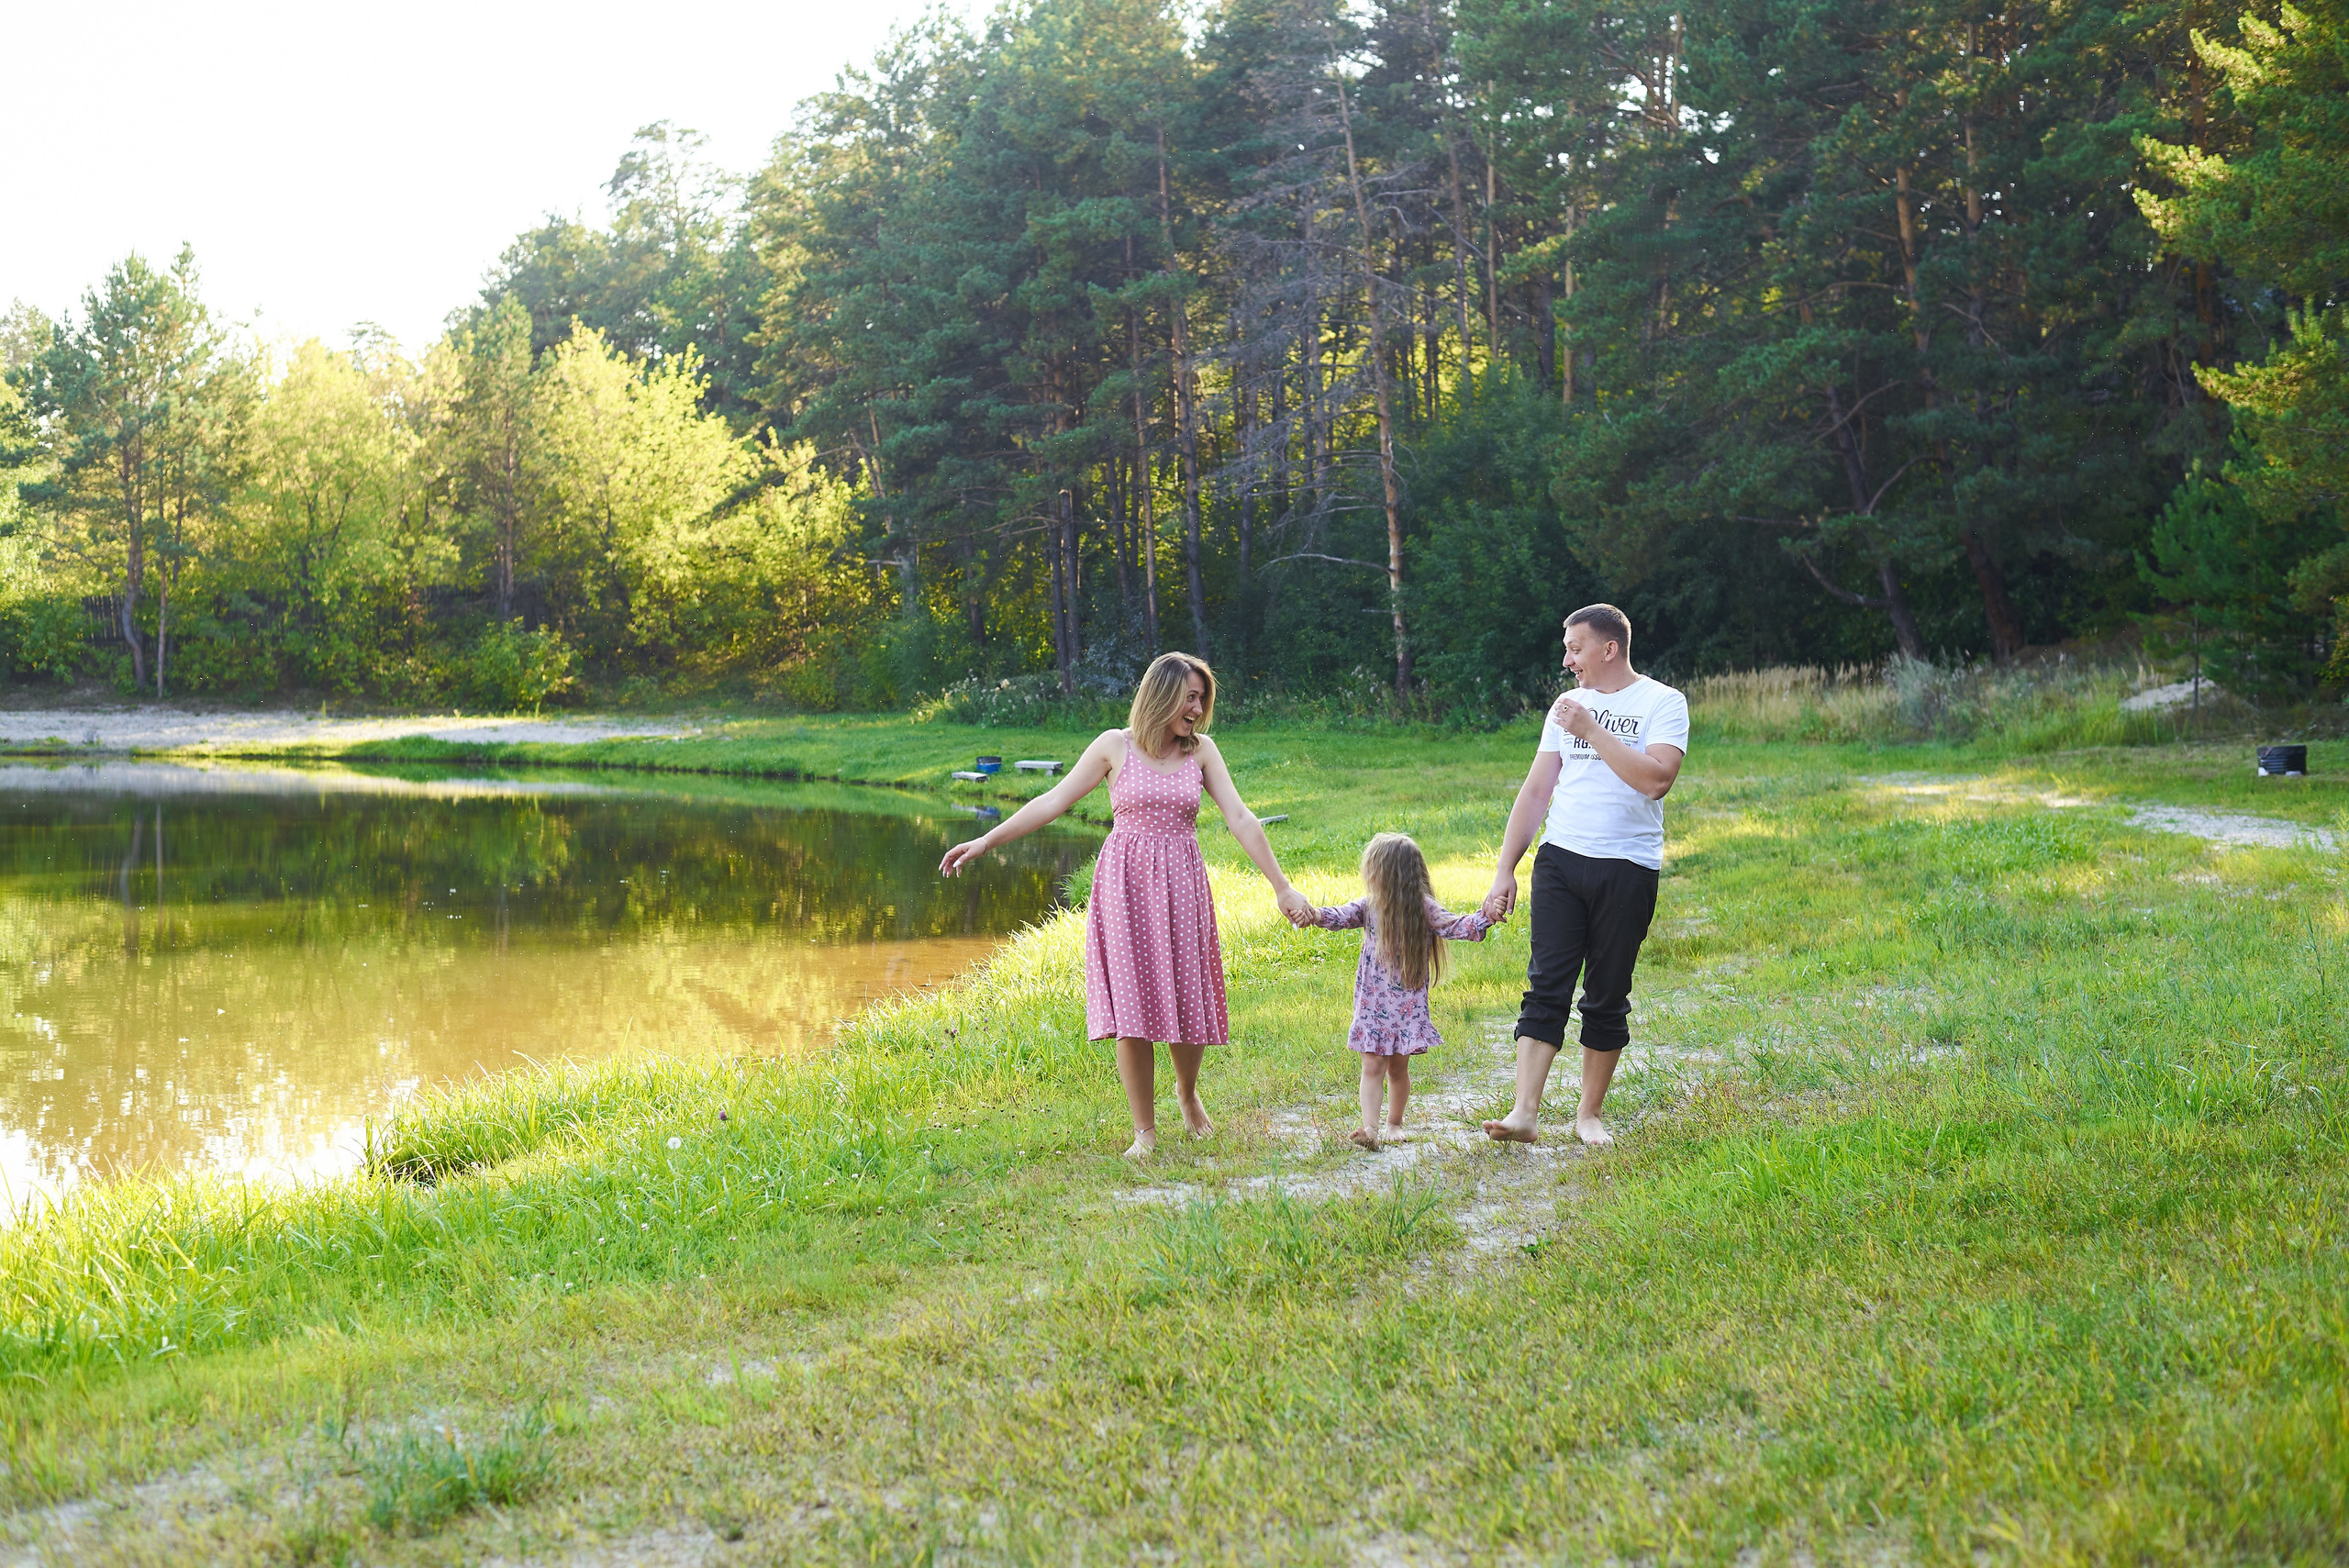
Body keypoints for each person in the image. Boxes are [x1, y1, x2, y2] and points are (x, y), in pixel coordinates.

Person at [939, 652, 1310, 1157]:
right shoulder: (1116, 746)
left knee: (1186, 993)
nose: (1198, 709)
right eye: (1191, 697)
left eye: (1203, 699)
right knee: (1133, 1005)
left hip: (1182, 884)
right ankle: (1145, 1132)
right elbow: (1053, 802)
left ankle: (1186, 1092)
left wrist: (1281, 887)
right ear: (1162, 693)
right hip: (1125, 889)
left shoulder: (1202, 752)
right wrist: (985, 842)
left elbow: (1241, 817)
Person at [1479, 605, 1687, 1146]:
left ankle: (1588, 1115)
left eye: (1575, 648)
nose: (1567, 660)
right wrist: (1506, 868)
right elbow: (1536, 791)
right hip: (1561, 861)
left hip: (1627, 866)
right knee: (1546, 985)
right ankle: (1525, 1111)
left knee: (1606, 992)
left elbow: (1657, 780)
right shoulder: (1565, 707)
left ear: (1608, 648)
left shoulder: (1663, 702)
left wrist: (1591, 729)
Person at [1296, 832, 1496, 1151]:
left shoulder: (1422, 909)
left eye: (1371, 869)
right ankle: (1370, 1129)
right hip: (1373, 1006)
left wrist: (1488, 915)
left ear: (1385, 874)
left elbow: (1458, 926)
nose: (1367, 876)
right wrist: (1313, 914)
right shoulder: (1369, 907)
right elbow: (1338, 915)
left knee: (1397, 1069)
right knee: (1372, 1066)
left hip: (1405, 1009)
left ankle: (1394, 1123)